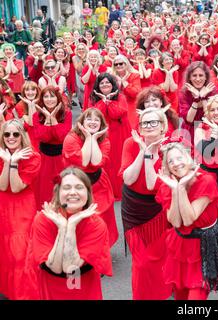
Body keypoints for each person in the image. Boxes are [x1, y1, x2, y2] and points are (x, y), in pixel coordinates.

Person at [156, 142, 218, 300]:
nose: (176, 163)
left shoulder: (206, 180)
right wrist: (176, 190)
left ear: (189, 158)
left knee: (197, 296)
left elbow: (189, 219)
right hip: (181, 245)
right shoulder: (168, 185)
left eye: (179, 157)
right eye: (171, 161)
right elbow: (176, 222)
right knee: (181, 296)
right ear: (168, 168)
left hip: (204, 245)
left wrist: (181, 188)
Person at [27, 167, 112, 299]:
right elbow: (54, 268)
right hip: (50, 289)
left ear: (88, 193)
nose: (73, 192)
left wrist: (71, 226)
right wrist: (62, 228)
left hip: (83, 290)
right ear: (58, 192)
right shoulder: (43, 220)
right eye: (67, 187)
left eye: (79, 187)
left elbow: (71, 269)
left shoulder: (96, 224)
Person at [119, 108, 172, 300]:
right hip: (134, 209)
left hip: (160, 211)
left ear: (163, 127)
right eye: (144, 123)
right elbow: (128, 178)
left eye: (154, 122)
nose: (149, 126)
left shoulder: (171, 149)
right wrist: (143, 151)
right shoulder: (130, 144)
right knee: (141, 264)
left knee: (160, 259)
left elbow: (153, 185)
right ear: (139, 128)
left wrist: (150, 153)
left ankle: (161, 294)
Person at [62, 108, 118, 248]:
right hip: (77, 184)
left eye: (96, 120)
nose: (92, 122)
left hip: (98, 183)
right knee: (79, 219)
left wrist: (93, 138)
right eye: (89, 119)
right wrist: (88, 137)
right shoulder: (71, 138)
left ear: (101, 124)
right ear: (81, 122)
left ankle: (100, 250)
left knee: (101, 218)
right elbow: (84, 162)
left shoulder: (104, 140)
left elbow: (97, 162)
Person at [0, 119, 40, 299]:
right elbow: (2, 186)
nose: (11, 137)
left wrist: (13, 162)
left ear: (22, 136)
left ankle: (23, 294)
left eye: (15, 134)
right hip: (2, 206)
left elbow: (15, 187)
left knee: (20, 252)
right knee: (5, 251)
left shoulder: (33, 157)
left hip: (23, 208)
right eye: (6, 134)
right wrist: (7, 161)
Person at [33, 87, 72, 207]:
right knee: (44, 190)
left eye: (52, 96)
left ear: (58, 98)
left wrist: (53, 119)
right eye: (46, 96)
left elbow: (62, 137)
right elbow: (42, 137)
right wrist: (46, 120)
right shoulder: (36, 115)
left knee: (63, 187)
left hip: (61, 158)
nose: (49, 99)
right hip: (44, 158)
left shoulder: (67, 114)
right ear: (42, 99)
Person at [179, 61, 218, 146]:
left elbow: (210, 118)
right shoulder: (184, 93)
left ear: (205, 77)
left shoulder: (212, 91)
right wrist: (196, 99)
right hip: (189, 131)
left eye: (201, 75)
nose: (198, 79)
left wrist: (203, 98)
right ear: (189, 77)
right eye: (194, 75)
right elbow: (189, 119)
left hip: (207, 130)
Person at [111, 55, 141, 129]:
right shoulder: (112, 77)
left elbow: (136, 93)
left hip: (131, 106)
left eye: (121, 63)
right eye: (116, 64)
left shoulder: (134, 75)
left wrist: (124, 83)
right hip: (116, 106)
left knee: (131, 128)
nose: (118, 66)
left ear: (126, 64)